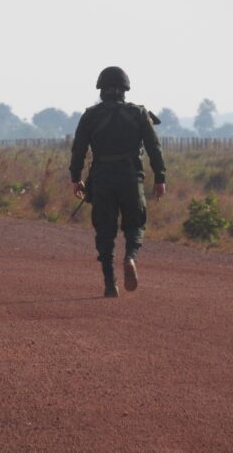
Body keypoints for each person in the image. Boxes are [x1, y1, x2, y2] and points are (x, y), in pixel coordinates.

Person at [69, 67, 165, 298]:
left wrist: (76, 178)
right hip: (131, 178)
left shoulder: (90, 116)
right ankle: (130, 257)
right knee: (135, 225)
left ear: (101, 90)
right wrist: (160, 178)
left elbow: (78, 150)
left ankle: (110, 284)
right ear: (125, 90)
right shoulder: (139, 114)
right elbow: (154, 148)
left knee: (104, 231)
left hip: (101, 179)